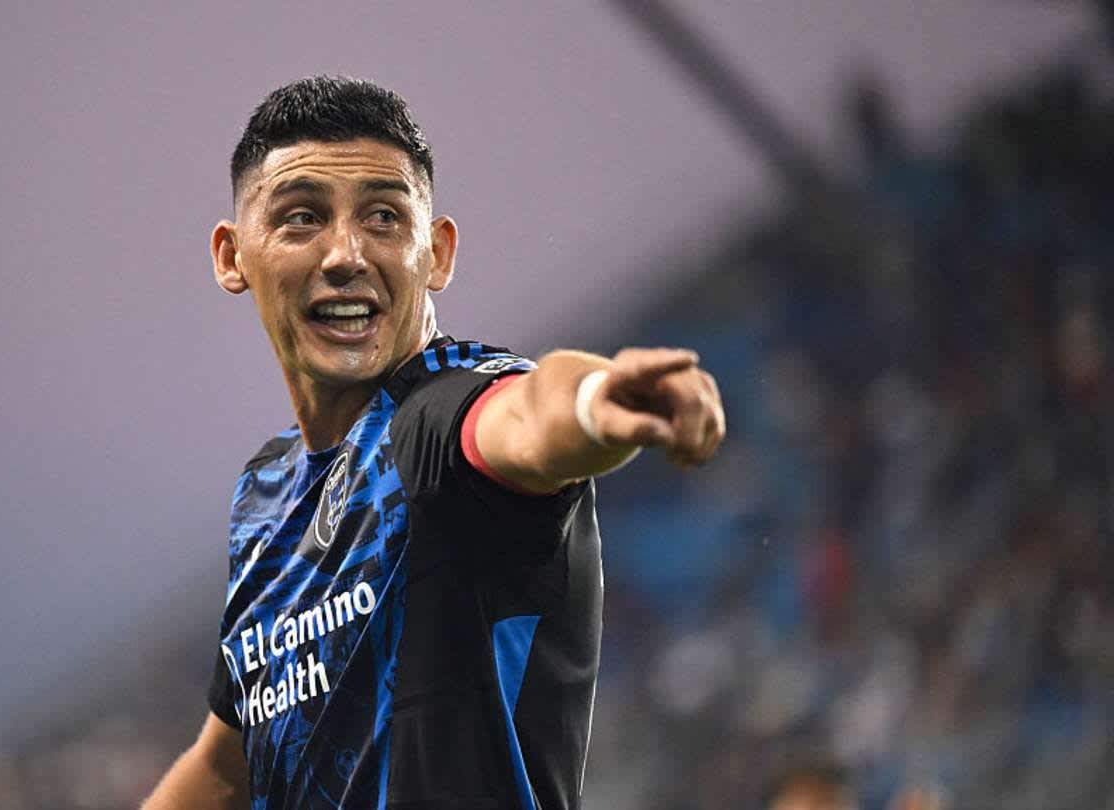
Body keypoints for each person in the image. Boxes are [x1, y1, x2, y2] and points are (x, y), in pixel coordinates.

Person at [143, 75, 725, 810]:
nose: (346, 253)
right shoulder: (263, 499)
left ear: (437, 252)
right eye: (300, 219)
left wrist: (590, 403)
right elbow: (228, 763)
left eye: (384, 217)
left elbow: (522, 416)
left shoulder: (437, 420)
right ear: (232, 257)